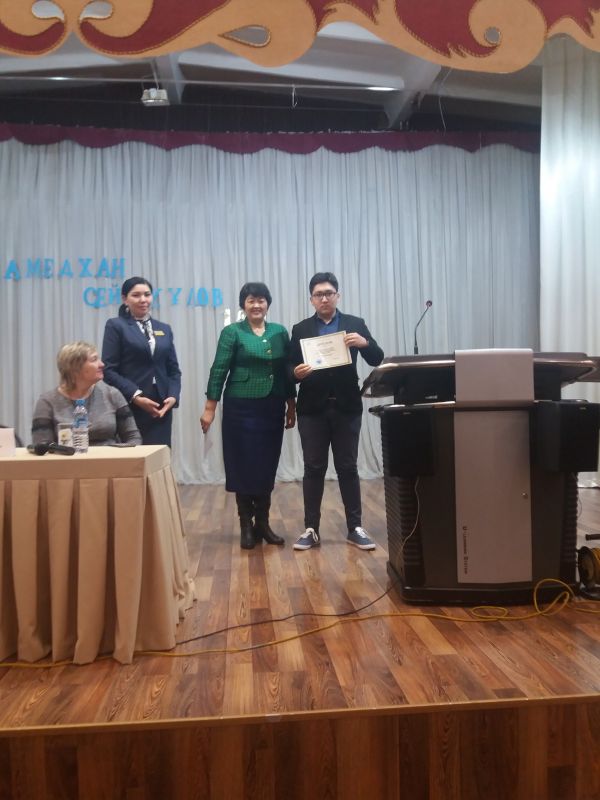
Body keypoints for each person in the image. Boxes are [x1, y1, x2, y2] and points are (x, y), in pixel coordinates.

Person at [289, 272, 384, 551]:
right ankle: (311, 529)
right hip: (312, 408)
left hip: (346, 406)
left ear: (337, 296)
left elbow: (377, 358)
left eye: (329, 293)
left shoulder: (355, 324)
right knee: (313, 468)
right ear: (311, 299)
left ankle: (355, 528)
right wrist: (295, 373)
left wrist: (364, 343)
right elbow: (289, 367)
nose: (324, 298)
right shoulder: (301, 328)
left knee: (348, 467)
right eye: (318, 294)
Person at [201, 282, 296, 550]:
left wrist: (291, 405)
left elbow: (286, 371)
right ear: (243, 304)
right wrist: (210, 407)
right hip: (240, 407)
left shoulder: (279, 332)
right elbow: (219, 369)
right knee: (243, 463)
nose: (256, 305)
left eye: (261, 300)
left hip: (272, 405)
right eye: (251, 300)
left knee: (267, 463)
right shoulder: (232, 332)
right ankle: (245, 524)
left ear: (268, 304)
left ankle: (262, 523)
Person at [102, 276, 181, 447]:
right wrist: (136, 396)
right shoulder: (116, 326)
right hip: (130, 404)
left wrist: (173, 396)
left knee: (159, 456)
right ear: (125, 299)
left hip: (161, 406)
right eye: (136, 295)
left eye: (147, 294)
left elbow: (173, 370)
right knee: (132, 456)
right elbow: (108, 370)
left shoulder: (164, 328)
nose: (143, 299)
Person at [32, 341, 142, 446]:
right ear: (75, 368)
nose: (102, 364)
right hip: (67, 458)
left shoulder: (112, 394)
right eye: (94, 360)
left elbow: (133, 436)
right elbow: (42, 446)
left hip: (111, 458)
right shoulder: (47, 402)